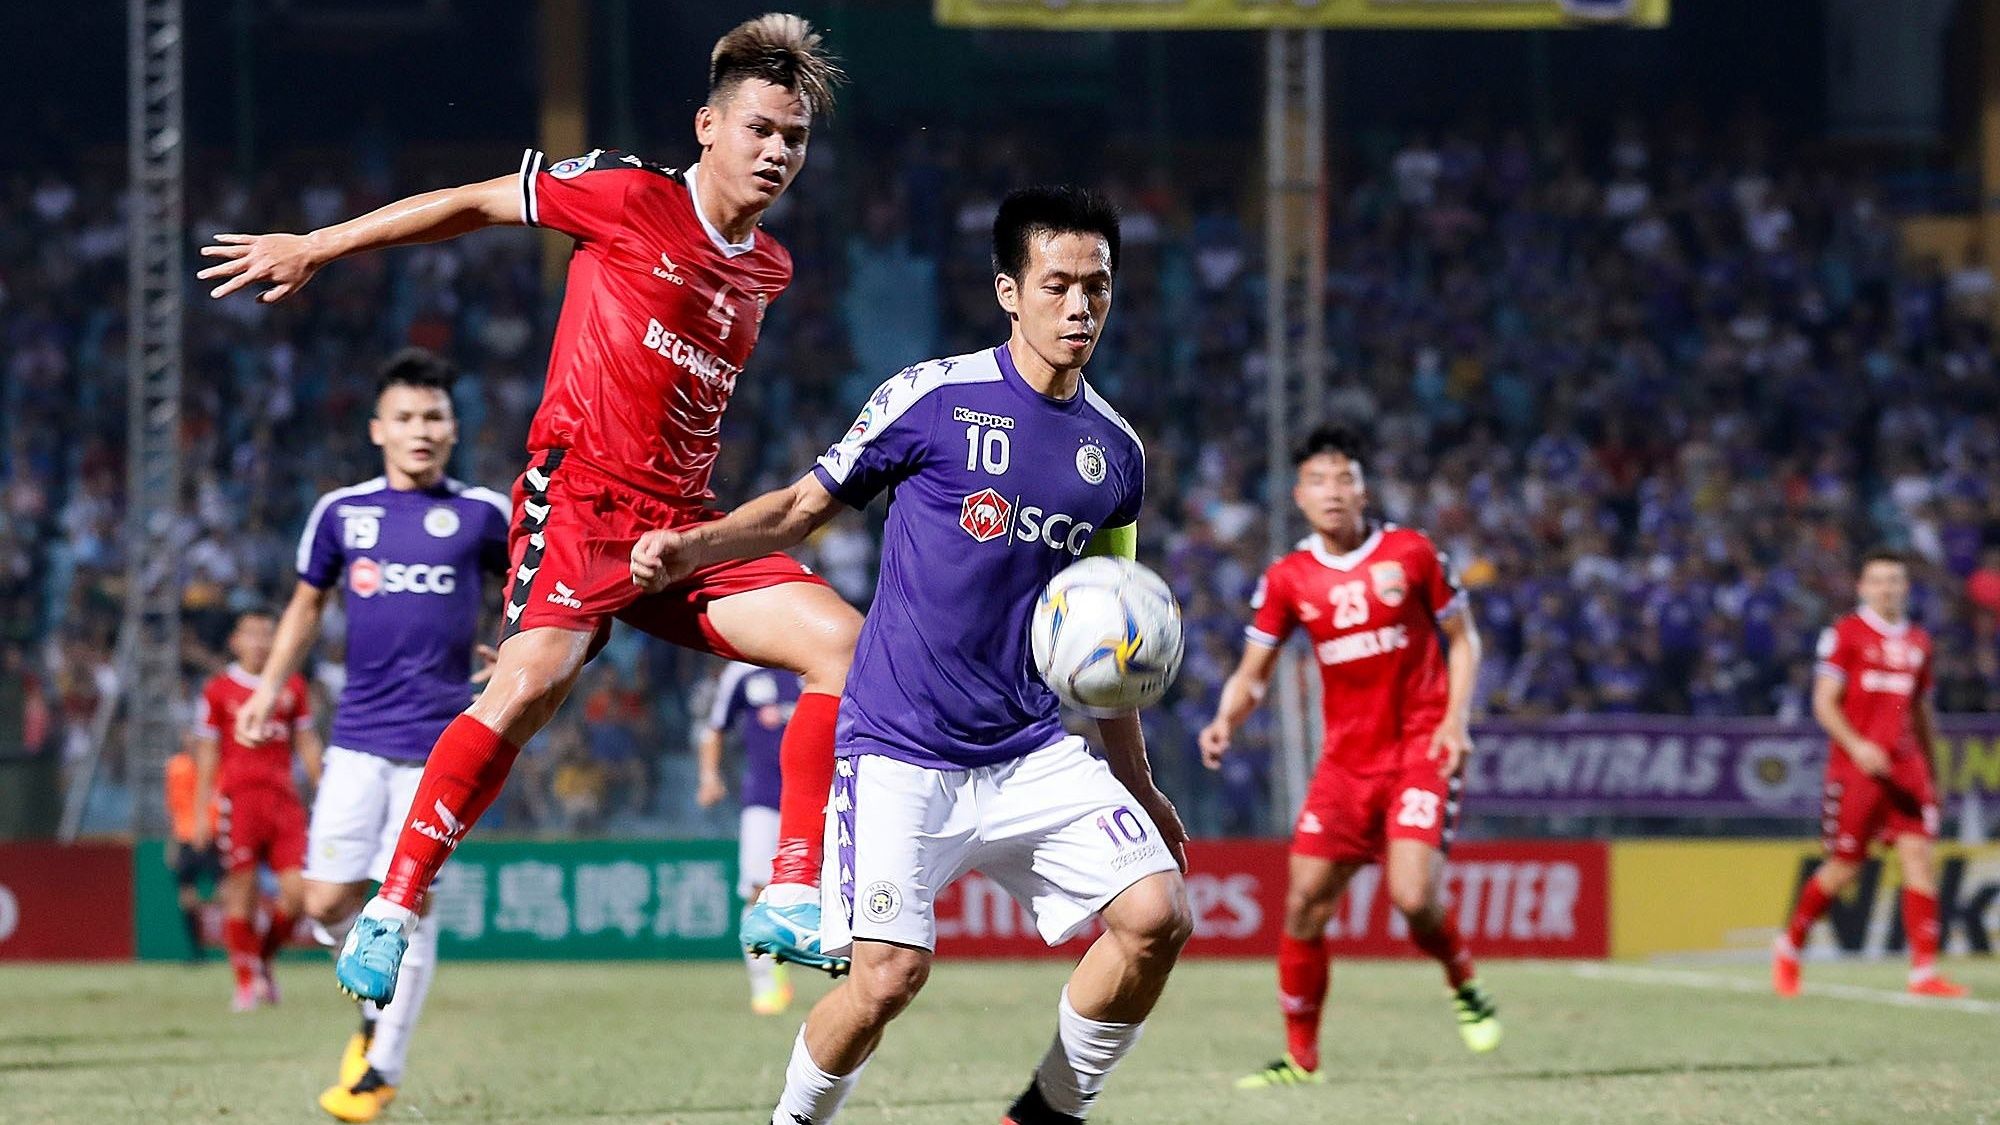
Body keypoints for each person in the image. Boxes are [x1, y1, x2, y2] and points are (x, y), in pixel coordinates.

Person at [197, 13, 861, 999]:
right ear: (707, 127)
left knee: (843, 643)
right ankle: (390, 907)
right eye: (759, 127)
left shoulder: (770, 265)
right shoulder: (627, 195)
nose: (775, 152)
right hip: (583, 502)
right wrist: (321, 246)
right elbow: (471, 202)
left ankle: (794, 893)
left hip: (681, 529)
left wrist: (684, 536)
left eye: (794, 138)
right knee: (530, 685)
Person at [633, 186, 1193, 1125]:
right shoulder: (934, 398)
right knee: (887, 979)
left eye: (1098, 287)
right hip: (901, 749)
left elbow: (1114, 641)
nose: (1081, 307)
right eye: (1057, 285)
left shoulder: (1117, 455)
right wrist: (694, 547)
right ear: (1010, 292)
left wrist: (1139, 783)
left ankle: (1049, 1110)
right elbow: (803, 511)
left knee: (1158, 916)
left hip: (1029, 748)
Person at [234, 350, 510, 1121]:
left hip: (441, 750)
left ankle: (379, 1070)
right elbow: (303, 608)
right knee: (324, 902)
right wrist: (267, 688)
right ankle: (372, 1008)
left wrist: (511, 646)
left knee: (404, 902)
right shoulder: (341, 514)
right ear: (377, 429)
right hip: (355, 740)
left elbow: (533, 589)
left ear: (453, 429)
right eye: (407, 417)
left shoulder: (485, 513)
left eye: (434, 417)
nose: (421, 431)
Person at [1199, 422, 1499, 1088]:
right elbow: (1254, 672)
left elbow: (1465, 640)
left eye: (1345, 477)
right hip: (1345, 766)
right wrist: (1226, 716)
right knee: (1304, 903)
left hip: (1420, 748)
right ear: (1299, 497)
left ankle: (1462, 977)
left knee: (1414, 895)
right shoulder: (1289, 577)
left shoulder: (1412, 552)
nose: (1332, 491)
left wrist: (1455, 720)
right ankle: (1301, 1060)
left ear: (1364, 488)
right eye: (1317, 480)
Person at [1773, 548, 1968, 999]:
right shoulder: (1846, 634)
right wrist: (1858, 745)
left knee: (1918, 857)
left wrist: (1932, 770)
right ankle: (1789, 945)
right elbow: (1823, 702)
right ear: (1862, 587)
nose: (1887, 588)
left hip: (1907, 769)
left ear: (1906, 586)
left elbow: (1921, 710)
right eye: (1878, 580)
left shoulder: (1919, 641)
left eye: (1895, 580)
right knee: (1844, 868)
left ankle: (1923, 972)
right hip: (1856, 769)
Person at [191, 610, 323, 1011]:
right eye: (253, 634)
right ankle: (245, 981)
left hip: (284, 802)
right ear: (235, 641)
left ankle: (263, 959)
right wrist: (199, 812)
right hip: (239, 800)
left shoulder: (292, 686)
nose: (261, 642)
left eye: (268, 634)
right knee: (241, 893)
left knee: (299, 896)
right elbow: (208, 753)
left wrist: (326, 791)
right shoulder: (218, 690)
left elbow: (307, 744)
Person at [699, 660, 801, 1015]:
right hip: (764, 799)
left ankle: (859, 981)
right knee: (759, 890)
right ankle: (766, 982)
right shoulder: (742, 671)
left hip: (820, 796)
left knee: (840, 889)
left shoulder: (817, 656)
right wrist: (709, 776)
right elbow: (714, 728)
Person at [164, 744, 222, 963]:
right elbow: (173, 807)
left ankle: (238, 950)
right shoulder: (176, 767)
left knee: (227, 893)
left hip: (213, 836)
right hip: (185, 837)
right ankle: (196, 952)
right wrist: (172, 843)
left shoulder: (216, 763)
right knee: (187, 897)